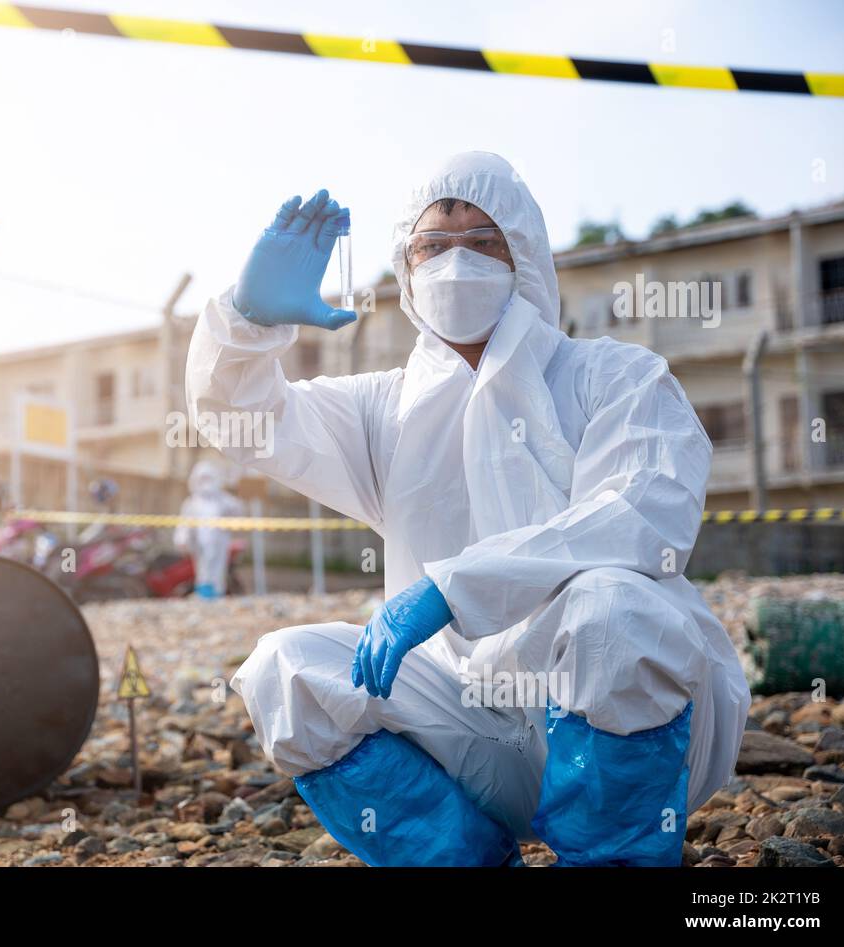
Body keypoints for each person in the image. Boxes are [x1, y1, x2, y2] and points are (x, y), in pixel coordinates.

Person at [184, 151, 750, 867]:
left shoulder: (615, 377)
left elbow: (641, 516)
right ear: (406, 265)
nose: (455, 265)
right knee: (286, 671)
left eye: (483, 243)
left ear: (527, 257)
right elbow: (247, 421)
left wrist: (452, 587)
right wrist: (247, 322)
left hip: (637, 726)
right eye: (432, 246)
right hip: (469, 730)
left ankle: (615, 858)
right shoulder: (383, 408)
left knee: (614, 608)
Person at [174, 459, 243, 599]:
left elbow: (237, 510)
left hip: (219, 542)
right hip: (198, 543)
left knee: (218, 569)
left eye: (208, 478)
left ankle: (217, 594)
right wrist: (182, 539)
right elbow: (184, 523)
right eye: (202, 478)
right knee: (202, 569)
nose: (205, 482)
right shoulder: (192, 502)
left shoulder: (223, 499)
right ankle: (204, 594)